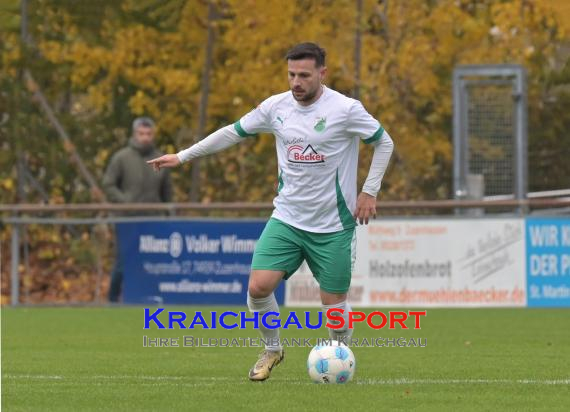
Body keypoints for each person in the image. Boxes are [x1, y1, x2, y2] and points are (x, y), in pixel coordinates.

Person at [148, 43, 394, 381]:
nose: (296, 82)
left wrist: (369, 191)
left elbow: (385, 142)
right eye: (292, 74)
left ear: (322, 73)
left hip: (334, 226)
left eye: (304, 75)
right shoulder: (276, 107)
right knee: (258, 288)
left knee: (334, 309)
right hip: (287, 219)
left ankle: (339, 358)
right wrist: (183, 156)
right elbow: (232, 133)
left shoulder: (346, 109)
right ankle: (273, 349)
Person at [103, 117, 172, 302]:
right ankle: (112, 300)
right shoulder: (121, 157)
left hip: (154, 219)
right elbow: (109, 184)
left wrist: (168, 215)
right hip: (128, 219)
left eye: (148, 134)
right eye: (141, 134)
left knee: (154, 262)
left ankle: (152, 298)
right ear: (134, 134)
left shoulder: (161, 159)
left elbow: (167, 193)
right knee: (123, 261)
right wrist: (125, 201)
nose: (145, 138)